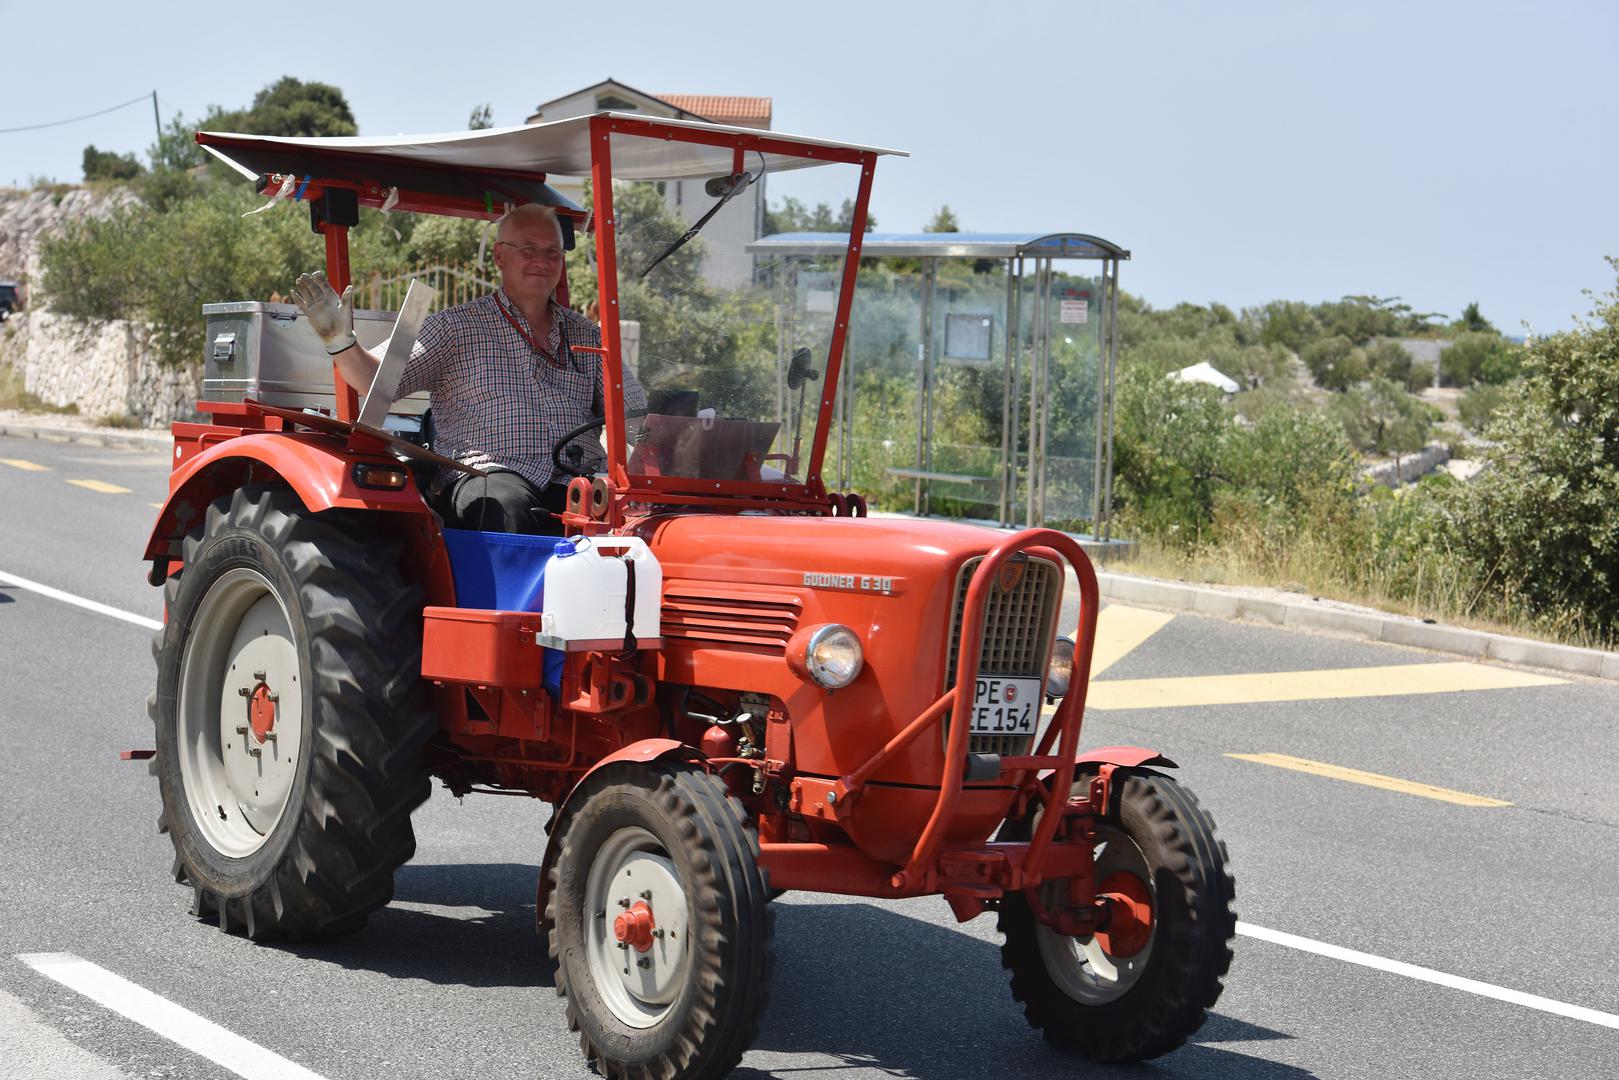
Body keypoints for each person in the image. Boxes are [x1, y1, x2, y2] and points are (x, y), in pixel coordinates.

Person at [291, 204, 644, 534]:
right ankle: (518, 602)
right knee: (507, 505)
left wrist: (678, 436)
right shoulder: (455, 328)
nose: (542, 261)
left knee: (640, 519)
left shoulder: (587, 334)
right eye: (528, 249)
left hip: (576, 482)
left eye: (552, 252)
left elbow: (636, 419)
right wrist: (341, 341)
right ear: (499, 256)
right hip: (487, 474)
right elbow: (375, 381)